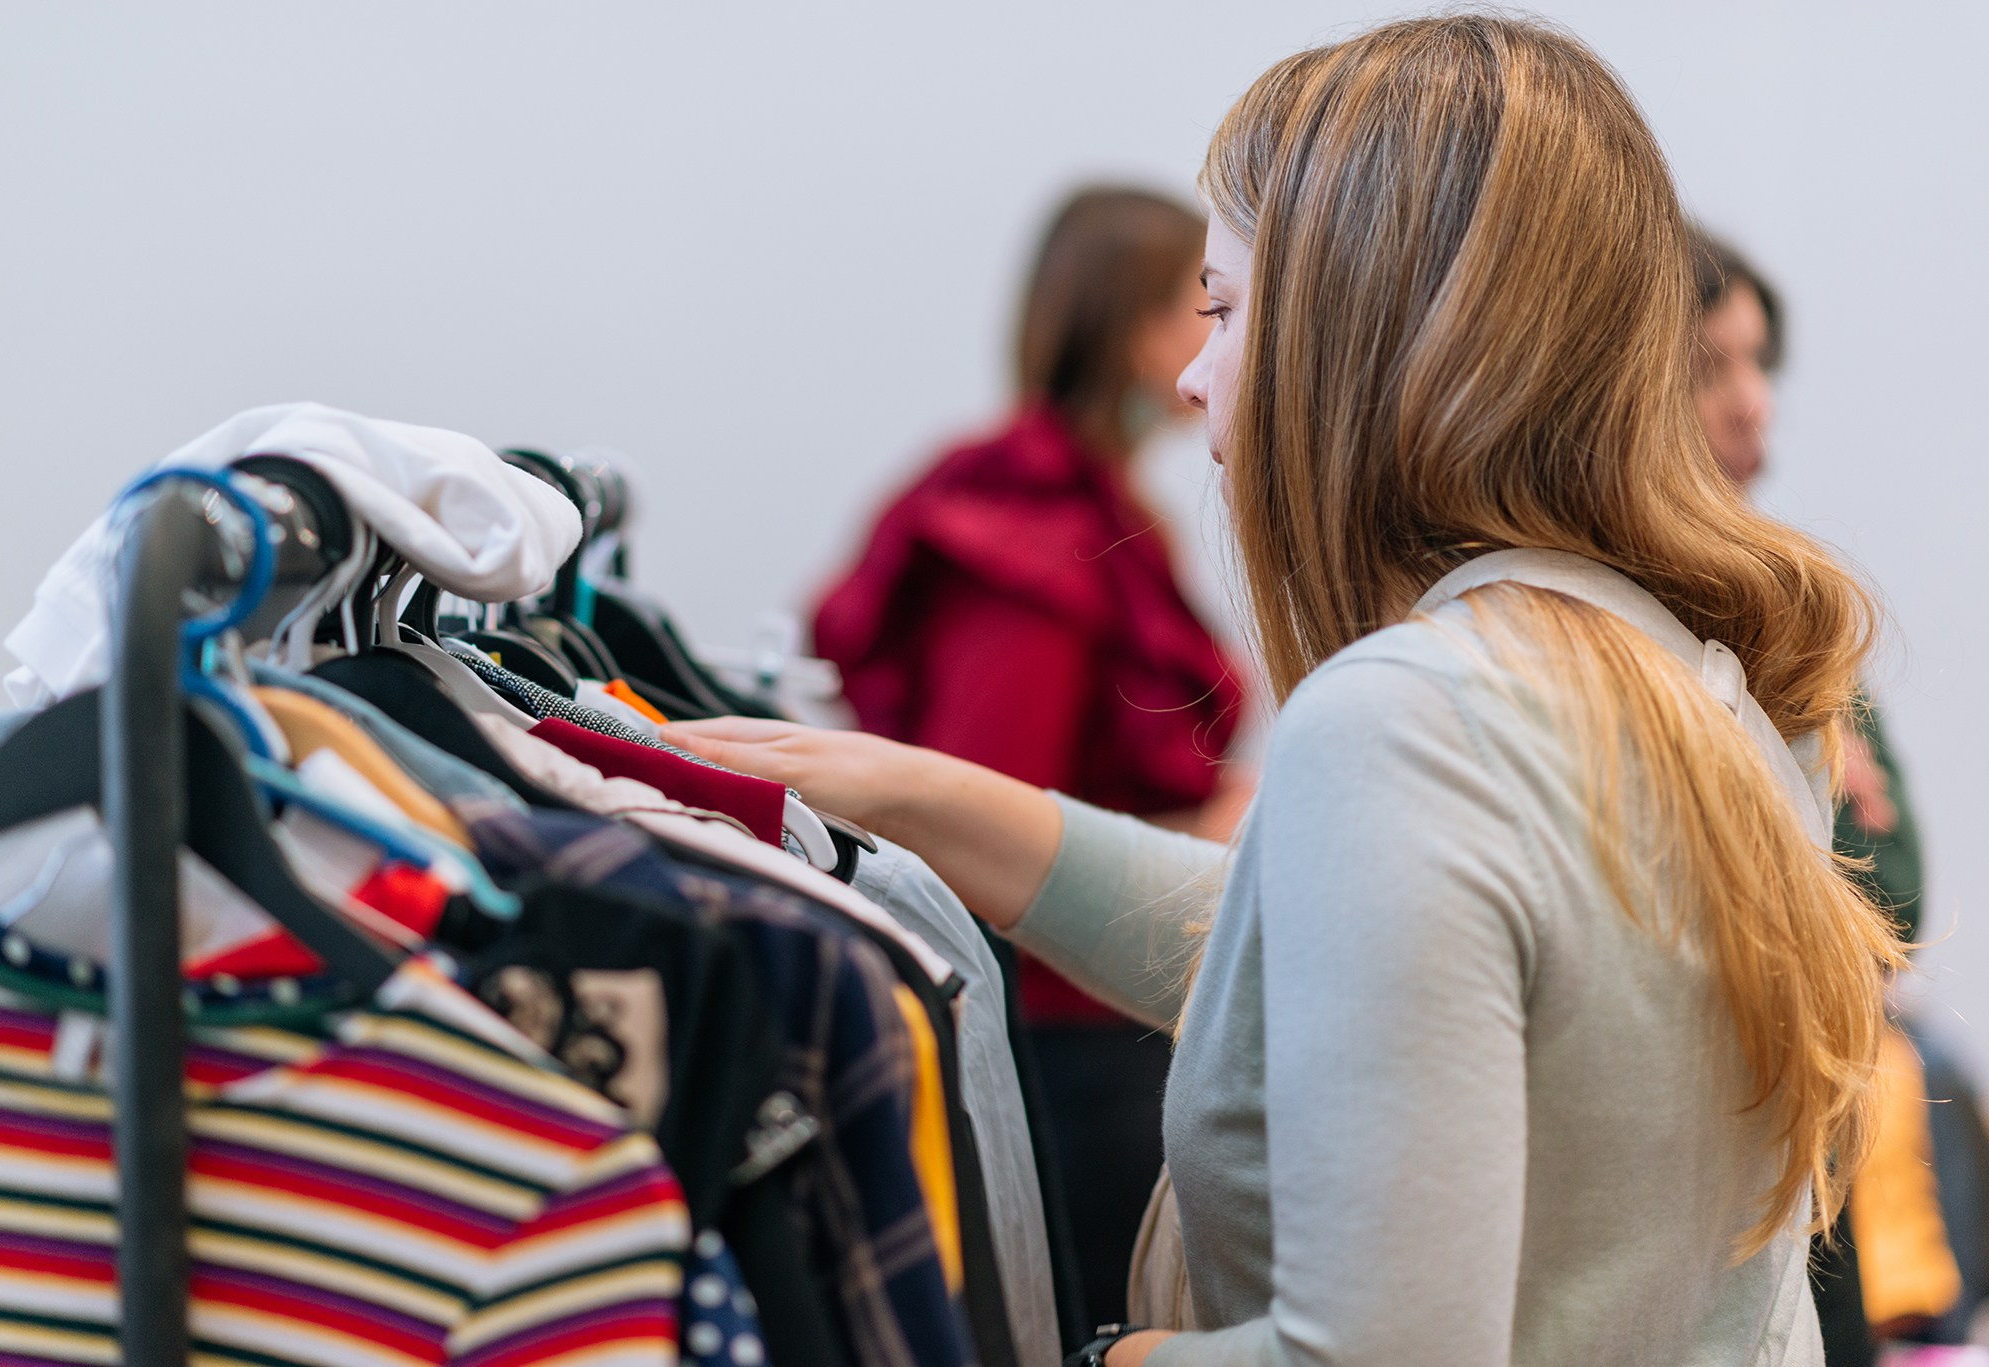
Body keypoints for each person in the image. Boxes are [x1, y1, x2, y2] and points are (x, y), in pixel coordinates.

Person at [671, 16, 1903, 1365]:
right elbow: (1343, 955)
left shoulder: (1413, 719)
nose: (1197, 373)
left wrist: (1101, 1355)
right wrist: (908, 792)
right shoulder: (1715, 678)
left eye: (1222, 306)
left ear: (1356, 330)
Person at [809, 185, 1248, 1330]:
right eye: (1201, 307)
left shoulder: (1087, 505)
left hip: (1108, 987)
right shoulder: (1026, 533)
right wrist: (1201, 832)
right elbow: (976, 800)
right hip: (1065, 1023)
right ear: (1129, 322)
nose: (1212, 346)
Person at [1690, 223, 1983, 1356]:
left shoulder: (1791, 603)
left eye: (1758, 363)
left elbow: (1889, 892)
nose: (1750, 402)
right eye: (1707, 367)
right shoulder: (1633, 626)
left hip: (1816, 1122)